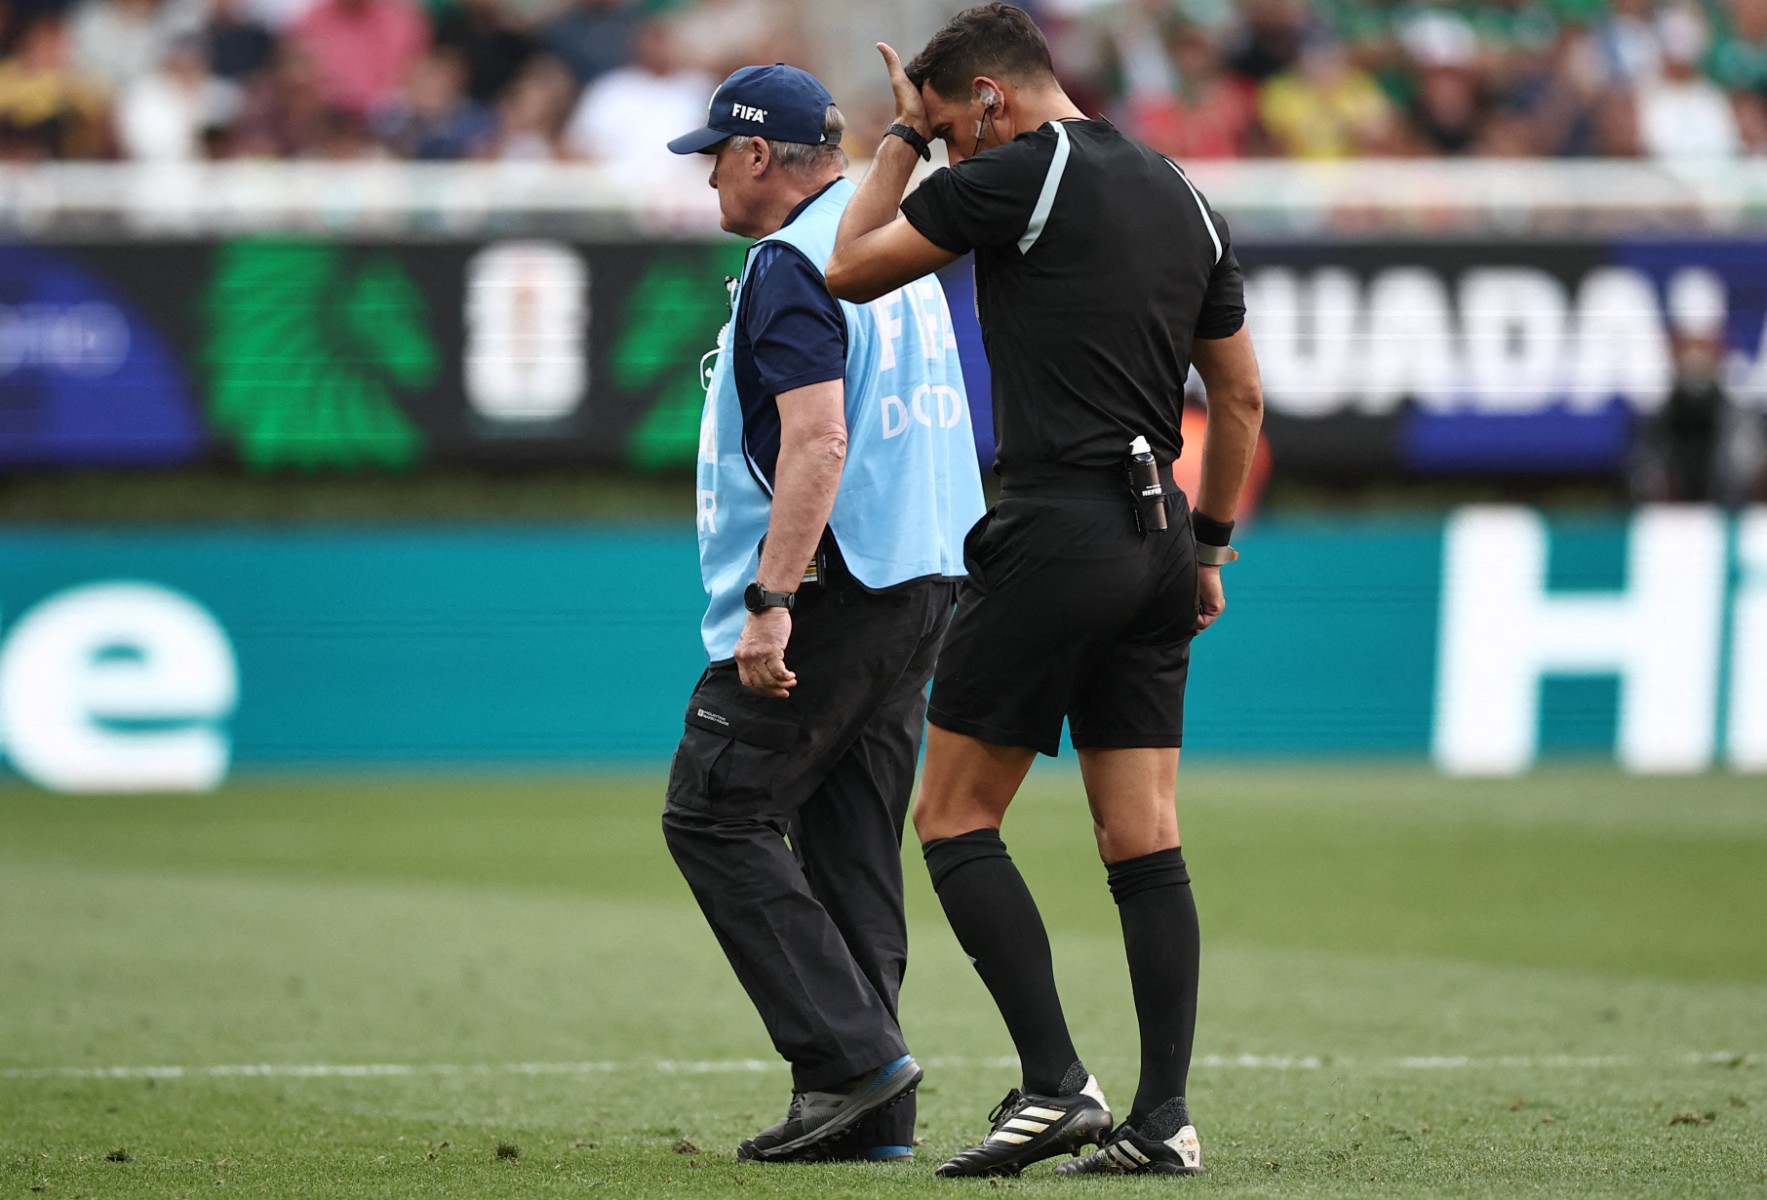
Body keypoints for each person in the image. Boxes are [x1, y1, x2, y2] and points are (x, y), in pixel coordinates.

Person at [825, 2, 1265, 1179]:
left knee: (954, 815)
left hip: (1055, 522)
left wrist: (900, 144)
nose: (960, 153)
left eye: (957, 129)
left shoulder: (1018, 169)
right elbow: (1241, 402)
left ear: (988, 101)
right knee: (1145, 835)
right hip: (1161, 531)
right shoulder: (1184, 188)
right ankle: (1165, 1120)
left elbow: (850, 270)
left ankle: (1057, 1084)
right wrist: (1211, 547)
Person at [660, 62, 987, 1164]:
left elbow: (820, 439)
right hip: (923, 577)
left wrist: (772, 599)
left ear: (758, 158)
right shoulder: (892, 247)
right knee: (850, 843)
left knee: (716, 810)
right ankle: (867, 1112)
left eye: (716, 156)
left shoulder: (793, 264)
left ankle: (853, 1063)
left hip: (836, 583)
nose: (708, 179)